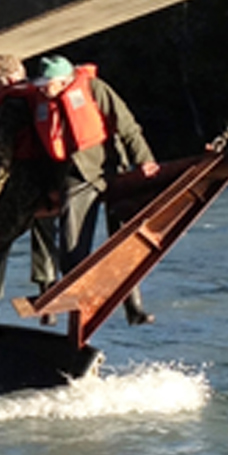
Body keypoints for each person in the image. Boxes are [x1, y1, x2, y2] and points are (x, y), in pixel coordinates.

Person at [40, 56, 161, 325]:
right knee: (72, 244)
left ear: (62, 80)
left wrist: (144, 158)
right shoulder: (44, 105)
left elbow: (126, 123)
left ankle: (134, 307)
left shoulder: (94, 88)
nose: (43, 89)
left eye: (47, 84)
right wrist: (50, 187)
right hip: (75, 176)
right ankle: (79, 308)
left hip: (111, 169)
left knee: (124, 237)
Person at [0, 53, 61, 322]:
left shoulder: (10, 104)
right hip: (51, 176)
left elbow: (3, 155)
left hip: (22, 177)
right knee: (46, 236)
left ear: (7, 79)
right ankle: (49, 304)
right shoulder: (41, 95)